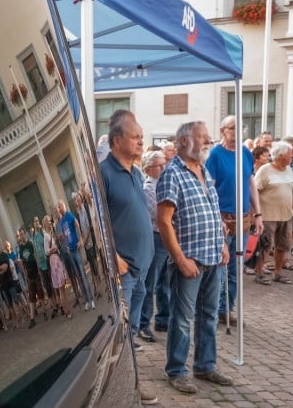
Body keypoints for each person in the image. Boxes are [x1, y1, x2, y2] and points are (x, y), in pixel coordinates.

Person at [157, 120, 232, 394]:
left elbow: (214, 211)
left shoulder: (203, 170)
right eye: (203, 137)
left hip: (213, 256)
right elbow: (164, 222)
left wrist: (223, 244)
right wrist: (180, 259)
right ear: (185, 141)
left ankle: (205, 365)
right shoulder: (172, 173)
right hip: (189, 260)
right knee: (182, 317)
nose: (208, 141)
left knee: (209, 315)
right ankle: (177, 370)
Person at [98, 110, 153, 339]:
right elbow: (97, 222)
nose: (141, 141)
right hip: (124, 270)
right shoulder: (104, 173)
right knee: (119, 332)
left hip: (142, 268)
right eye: (135, 137)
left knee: (132, 330)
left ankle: (128, 370)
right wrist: (114, 257)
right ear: (117, 140)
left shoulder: (137, 174)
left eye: (141, 136)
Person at [205, 115, 264, 326]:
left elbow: (251, 185)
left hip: (244, 219)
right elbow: (208, 189)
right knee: (220, 267)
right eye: (233, 128)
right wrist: (214, 218)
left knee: (235, 269)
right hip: (222, 219)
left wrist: (258, 214)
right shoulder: (214, 156)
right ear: (223, 131)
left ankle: (227, 309)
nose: (238, 132)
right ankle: (214, 309)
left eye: (241, 128)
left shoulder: (246, 153)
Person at [254, 141, 293, 284]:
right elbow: (254, 191)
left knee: (283, 245)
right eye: (290, 153)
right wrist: (256, 214)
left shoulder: (289, 170)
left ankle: (277, 273)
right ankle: (259, 273)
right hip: (268, 216)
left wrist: (292, 208)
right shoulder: (265, 170)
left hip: (286, 215)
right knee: (265, 245)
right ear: (281, 155)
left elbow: (290, 190)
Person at [138, 150, 169, 342]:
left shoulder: (164, 185)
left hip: (167, 238)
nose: (164, 168)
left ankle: (163, 320)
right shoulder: (148, 188)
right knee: (150, 284)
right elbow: (161, 215)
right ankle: (142, 324)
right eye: (160, 166)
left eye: (164, 164)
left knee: (164, 282)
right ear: (149, 169)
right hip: (157, 239)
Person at [56, 199, 95, 310]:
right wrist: (62, 238)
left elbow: (77, 226)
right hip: (70, 251)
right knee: (78, 277)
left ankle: (91, 300)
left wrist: (81, 240)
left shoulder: (69, 215)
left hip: (76, 250)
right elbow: (66, 234)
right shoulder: (62, 221)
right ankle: (87, 300)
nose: (60, 209)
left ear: (63, 206)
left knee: (83, 275)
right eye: (59, 207)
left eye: (61, 207)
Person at [43, 214, 73, 319]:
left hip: (57, 259)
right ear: (45, 223)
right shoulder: (46, 236)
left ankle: (66, 309)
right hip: (53, 260)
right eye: (48, 221)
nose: (50, 222)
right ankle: (66, 311)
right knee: (60, 288)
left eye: (50, 221)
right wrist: (53, 249)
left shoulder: (51, 233)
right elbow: (46, 251)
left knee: (63, 287)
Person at [0, 240, 25, 328]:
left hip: (10, 282)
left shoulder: (5, 255)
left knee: (16, 301)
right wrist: (0, 268)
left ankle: (21, 318)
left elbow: (6, 268)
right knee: (9, 304)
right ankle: (15, 322)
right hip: (2, 285)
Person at [16, 226, 45, 327]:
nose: (21, 236)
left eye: (22, 234)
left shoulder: (30, 244)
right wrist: (24, 273)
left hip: (35, 272)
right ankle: (32, 319)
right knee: (31, 297)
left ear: (25, 234)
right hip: (28, 275)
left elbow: (35, 257)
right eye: (20, 235)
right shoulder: (20, 248)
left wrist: (39, 271)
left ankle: (44, 311)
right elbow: (21, 262)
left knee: (40, 293)